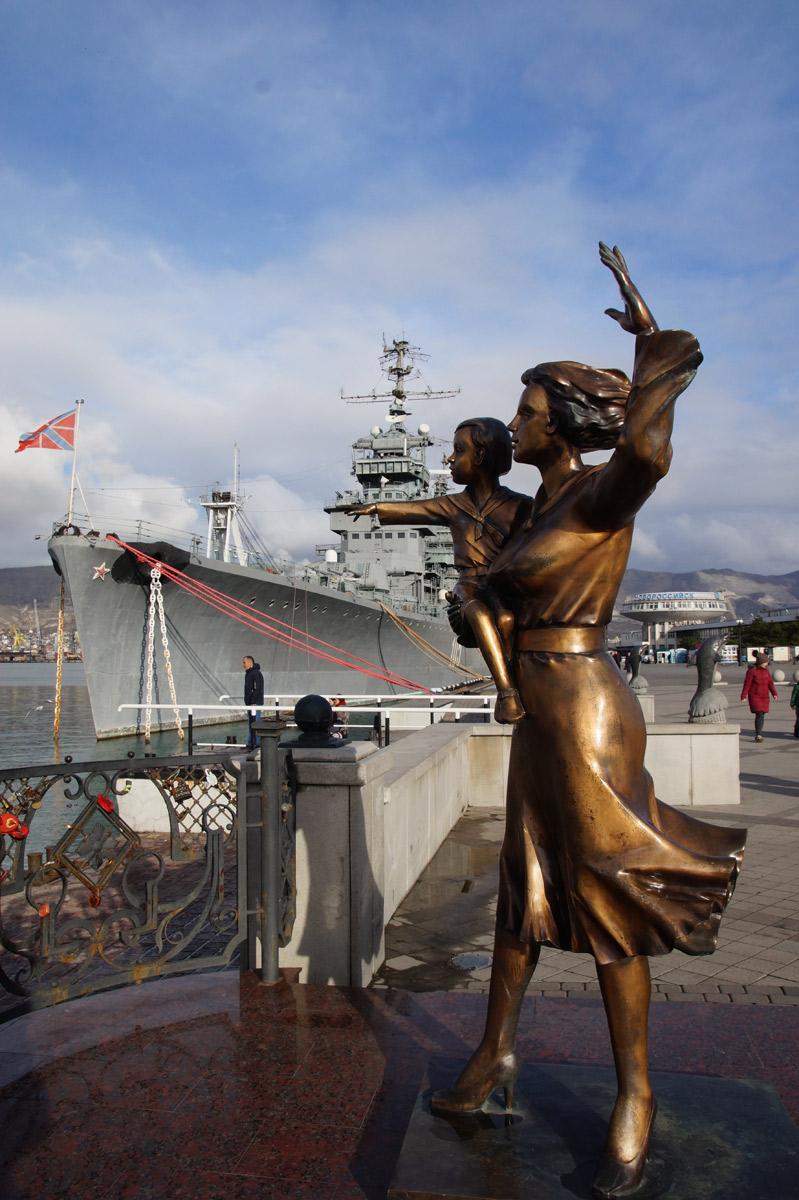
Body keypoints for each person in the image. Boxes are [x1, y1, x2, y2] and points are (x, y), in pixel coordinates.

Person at [429, 244, 746, 1200]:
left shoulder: (597, 493)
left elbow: (646, 452)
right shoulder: (530, 510)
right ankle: (493, 1053)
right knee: (521, 883)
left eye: (527, 411)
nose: (516, 423)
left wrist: (650, 343)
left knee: (609, 894)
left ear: (561, 421)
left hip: (584, 705)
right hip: (535, 704)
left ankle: (634, 1095)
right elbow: (495, 593)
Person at [348, 418, 532, 723]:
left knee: (507, 619)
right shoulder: (453, 505)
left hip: (501, 582)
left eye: (458, 450)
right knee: (479, 613)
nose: (449, 459)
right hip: (468, 585)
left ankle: (522, 681)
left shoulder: (520, 505)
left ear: (480, 456)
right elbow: (416, 509)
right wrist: (377, 507)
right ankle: (506, 692)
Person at [740, 652, 778, 742]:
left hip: (765, 697)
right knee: (759, 713)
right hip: (755, 696)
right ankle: (758, 734)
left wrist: (774, 693)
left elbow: (770, 684)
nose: (767, 664)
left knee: (762, 714)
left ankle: (759, 732)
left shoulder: (766, 671)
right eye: (765, 662)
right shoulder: (751, 672)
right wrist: (743, 695)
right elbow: (747, 684)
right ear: (761, 662)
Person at [242, 655, 264, 752]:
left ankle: (257, 744)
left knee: (255, 723)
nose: (243, 665)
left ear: (250, 663)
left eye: (244, 662)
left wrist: (253, 701)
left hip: (254, 704)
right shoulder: (249, 673)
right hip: (250, 703)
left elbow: (257, 689)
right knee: (251, 724)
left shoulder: (255, 674)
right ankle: (251, 743)